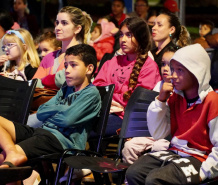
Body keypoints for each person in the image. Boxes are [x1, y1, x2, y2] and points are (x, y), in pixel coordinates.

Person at [0, 44, 101, 184]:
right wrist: (62, 109)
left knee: (4, 158)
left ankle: (13, 155)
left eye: (73, 65)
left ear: (89, 68)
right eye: (66, 65)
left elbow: (68, 120)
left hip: (62, 141)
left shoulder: (91, 93)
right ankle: (12, 151)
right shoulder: (66, 88)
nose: (67, 70)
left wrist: (57, 108)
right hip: (43, 132)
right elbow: (42, 111)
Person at [126, 44, 218, 185]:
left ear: (197, 72)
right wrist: (160, 101)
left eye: (180, 70)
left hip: (200, 158)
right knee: (134, 172)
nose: (173, 75)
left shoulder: (212, 101)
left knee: (155, 179)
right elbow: (158, 133)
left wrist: (205, 173)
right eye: (173, 69)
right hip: (175, 152)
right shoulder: (176, 98)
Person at [93, 17, 161, 136]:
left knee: (89, 128)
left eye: (129, 35)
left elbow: (137, 99)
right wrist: (117, 98)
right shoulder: (113, 61)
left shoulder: (149, 66)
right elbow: (97, 88)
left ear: (141, 38)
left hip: (127, 118)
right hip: (104, 110)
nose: (123, 40)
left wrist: (110, 96)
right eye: (121, 35)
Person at [122, 46, 178, 164]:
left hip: (172, 137)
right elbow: (149, 114)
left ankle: (146, 175)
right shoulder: (159, 85)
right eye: (163, 64)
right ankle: (129, 178)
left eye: (170, 65)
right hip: (153, 133)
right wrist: (134, 133)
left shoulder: (181, 89)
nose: (165, 69)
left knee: (158, 147)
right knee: (129, 146)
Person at [33, 6, 92, 89]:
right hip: (46, 100)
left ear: (77, 29)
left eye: (64, 23)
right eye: (57, 23)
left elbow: (64, 80)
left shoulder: (84, 54)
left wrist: (44, 81)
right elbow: (34, 84)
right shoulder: (49, 57)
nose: (57, 28)